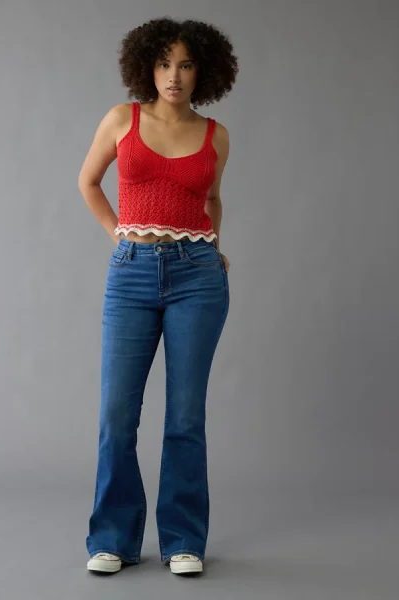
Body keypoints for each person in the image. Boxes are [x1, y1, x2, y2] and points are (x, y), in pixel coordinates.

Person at [77, 16, 238, 576]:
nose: (174, 76)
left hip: (198, 279)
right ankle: (113, 538)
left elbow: (211, 199)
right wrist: (121, 237)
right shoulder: (122, 119)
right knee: (117, 415)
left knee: (185, 416)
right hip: (132, 277)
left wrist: (214, 246)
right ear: (147, 66)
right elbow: (88, 182)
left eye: (186, 65)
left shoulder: (216, 135)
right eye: (165, 63)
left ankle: (183, 540)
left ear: (202, 73)